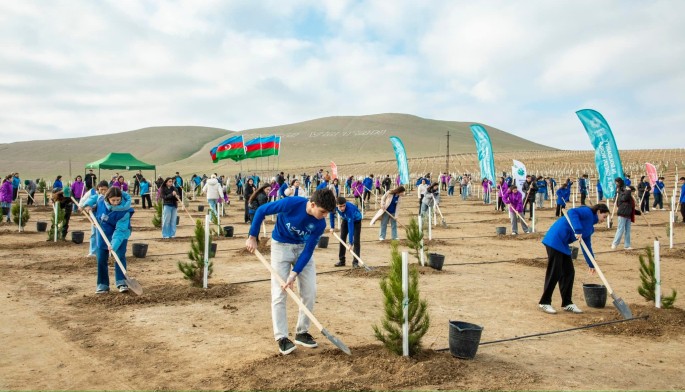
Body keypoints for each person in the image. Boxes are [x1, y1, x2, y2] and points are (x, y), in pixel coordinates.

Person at [245, 189, 336, 355]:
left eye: (327, 213)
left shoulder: (320, 224)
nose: (324, 216)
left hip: (302, 250)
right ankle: (282, 337)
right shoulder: (291, 204)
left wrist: (294, 274)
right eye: (322, 212)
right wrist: (252, 235)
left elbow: (308, 251)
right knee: (279, 293)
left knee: (309, 291)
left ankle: (302, 332)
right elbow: (261, 210)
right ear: (313, 204)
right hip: (281, 247)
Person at [538, 203, 609, 314]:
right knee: (555, 272)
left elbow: (587, 246)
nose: (604, 220)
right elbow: (572, 212)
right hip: (555, 239)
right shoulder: (587, 212)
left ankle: (567, 303)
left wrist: (591, 263)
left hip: (563, 244)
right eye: (604, 217)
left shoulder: (590, 228)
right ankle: (544, 302)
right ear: (599, 212)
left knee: (569, 272)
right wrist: (578, 229)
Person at [81, 186, 134, 294]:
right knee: (101, 258)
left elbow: (120, 231)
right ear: (107, 199)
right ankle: (102, 284)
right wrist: (88, 205)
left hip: (121, 234)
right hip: (103, 232)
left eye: (118, 200)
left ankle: (121, 282)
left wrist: (113, 245)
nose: (115, 203)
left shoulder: (125, 212)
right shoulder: (101, 200)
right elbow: (95, 197)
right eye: (113, 200)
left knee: (119, 256)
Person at [80, 181, 110, 256]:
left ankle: (108, 251)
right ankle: (93, 252)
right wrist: (86, 206)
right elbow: (87, 201)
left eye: (105, 189)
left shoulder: (109, 196)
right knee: (94, 234)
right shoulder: (95, 195)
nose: (103, 191)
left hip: (107, 219)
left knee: (107, 234)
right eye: (101, 189)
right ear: (98, 189)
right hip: (96, 218)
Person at [333, 196, 363, 267]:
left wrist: (350, 242)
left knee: (356, 241)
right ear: (337, 205)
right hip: (345, 220)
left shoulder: (349, 210)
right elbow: (332, 214)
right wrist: (332, 227)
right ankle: (342, 260)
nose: (342, 208)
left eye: (344, 206)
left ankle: (355, 262)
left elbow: (351, 227)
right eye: (340, 206)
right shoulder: (334, 207)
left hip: (356, 221)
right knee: (342, 239)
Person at [611, 178, 635, 250]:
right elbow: (624, 198)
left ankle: (627, 245)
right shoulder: (620, 192)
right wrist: (628, 191)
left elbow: (630, 206)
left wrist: (637, 212)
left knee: (628, 230)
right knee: (620, 229)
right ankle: (615, 243)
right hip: (622, 213)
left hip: (628, 214)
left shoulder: (629, 196)